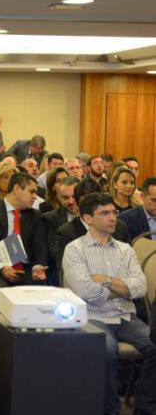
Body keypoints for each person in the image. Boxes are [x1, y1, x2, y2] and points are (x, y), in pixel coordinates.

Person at [63, 193, 156, 415]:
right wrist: (122, 289)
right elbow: (84, 291)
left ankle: (145, 408)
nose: (113, 218)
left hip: (125, 317)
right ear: (88, 218)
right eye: (104, 213)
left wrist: (104, 280)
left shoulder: (125, 249)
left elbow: (140, 288)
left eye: (114, 212)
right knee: (105, 350)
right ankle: (110, 410)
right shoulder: (75, 249)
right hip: (92, 317)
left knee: (155, 345)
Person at [0, 172, 48, 303]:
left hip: (25, 271)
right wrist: (1, 267)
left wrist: (37, 267)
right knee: (4, 295)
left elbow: (40, 247)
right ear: (17, 189)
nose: (35, 197)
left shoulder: (35, 216)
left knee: (43, 296)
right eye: (32, 192)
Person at [52, 179, 132, 270]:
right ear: (77, 204)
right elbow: (66, 270)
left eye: (95, 205)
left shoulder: (119, 227)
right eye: (85, 205)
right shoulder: (66, 233)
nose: (90, 209)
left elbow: (130, 264)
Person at [42, 176, 80, 286]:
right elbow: (53, 252)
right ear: (58, 197)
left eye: (74, 196)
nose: (71, 201)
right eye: (65, 197)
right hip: (62, 272)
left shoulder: (95, 217)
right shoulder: (49, 219)